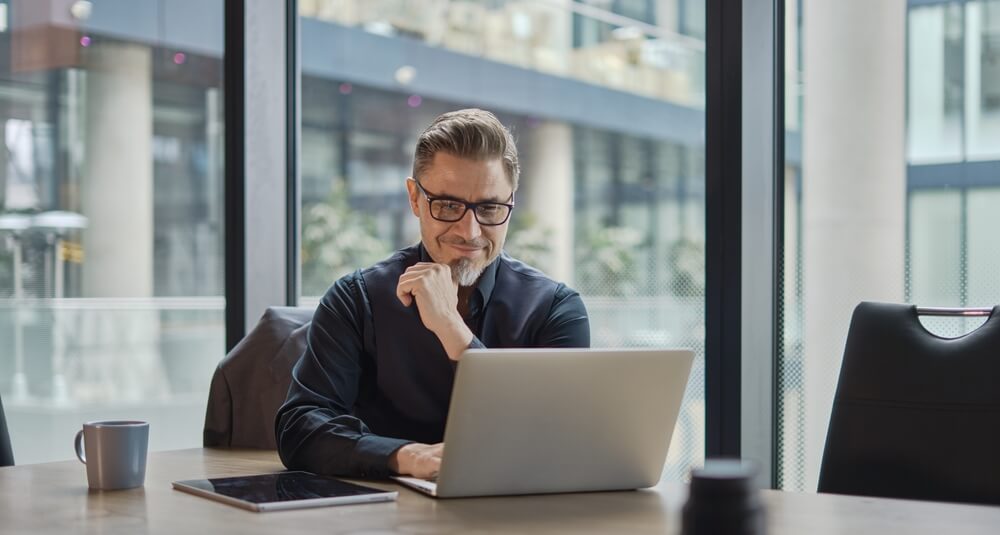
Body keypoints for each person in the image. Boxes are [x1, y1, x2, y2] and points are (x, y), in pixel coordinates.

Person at [275, 108, 590, 480]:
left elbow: (558, 440)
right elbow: (300, 428)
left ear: (511, 203)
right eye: (448, 206)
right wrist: (406, 457)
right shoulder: (356, 298)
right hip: (384, 514)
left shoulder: (556, 309)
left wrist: (452, 329)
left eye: (489, 208)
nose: (470, 231)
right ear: (414, 198)